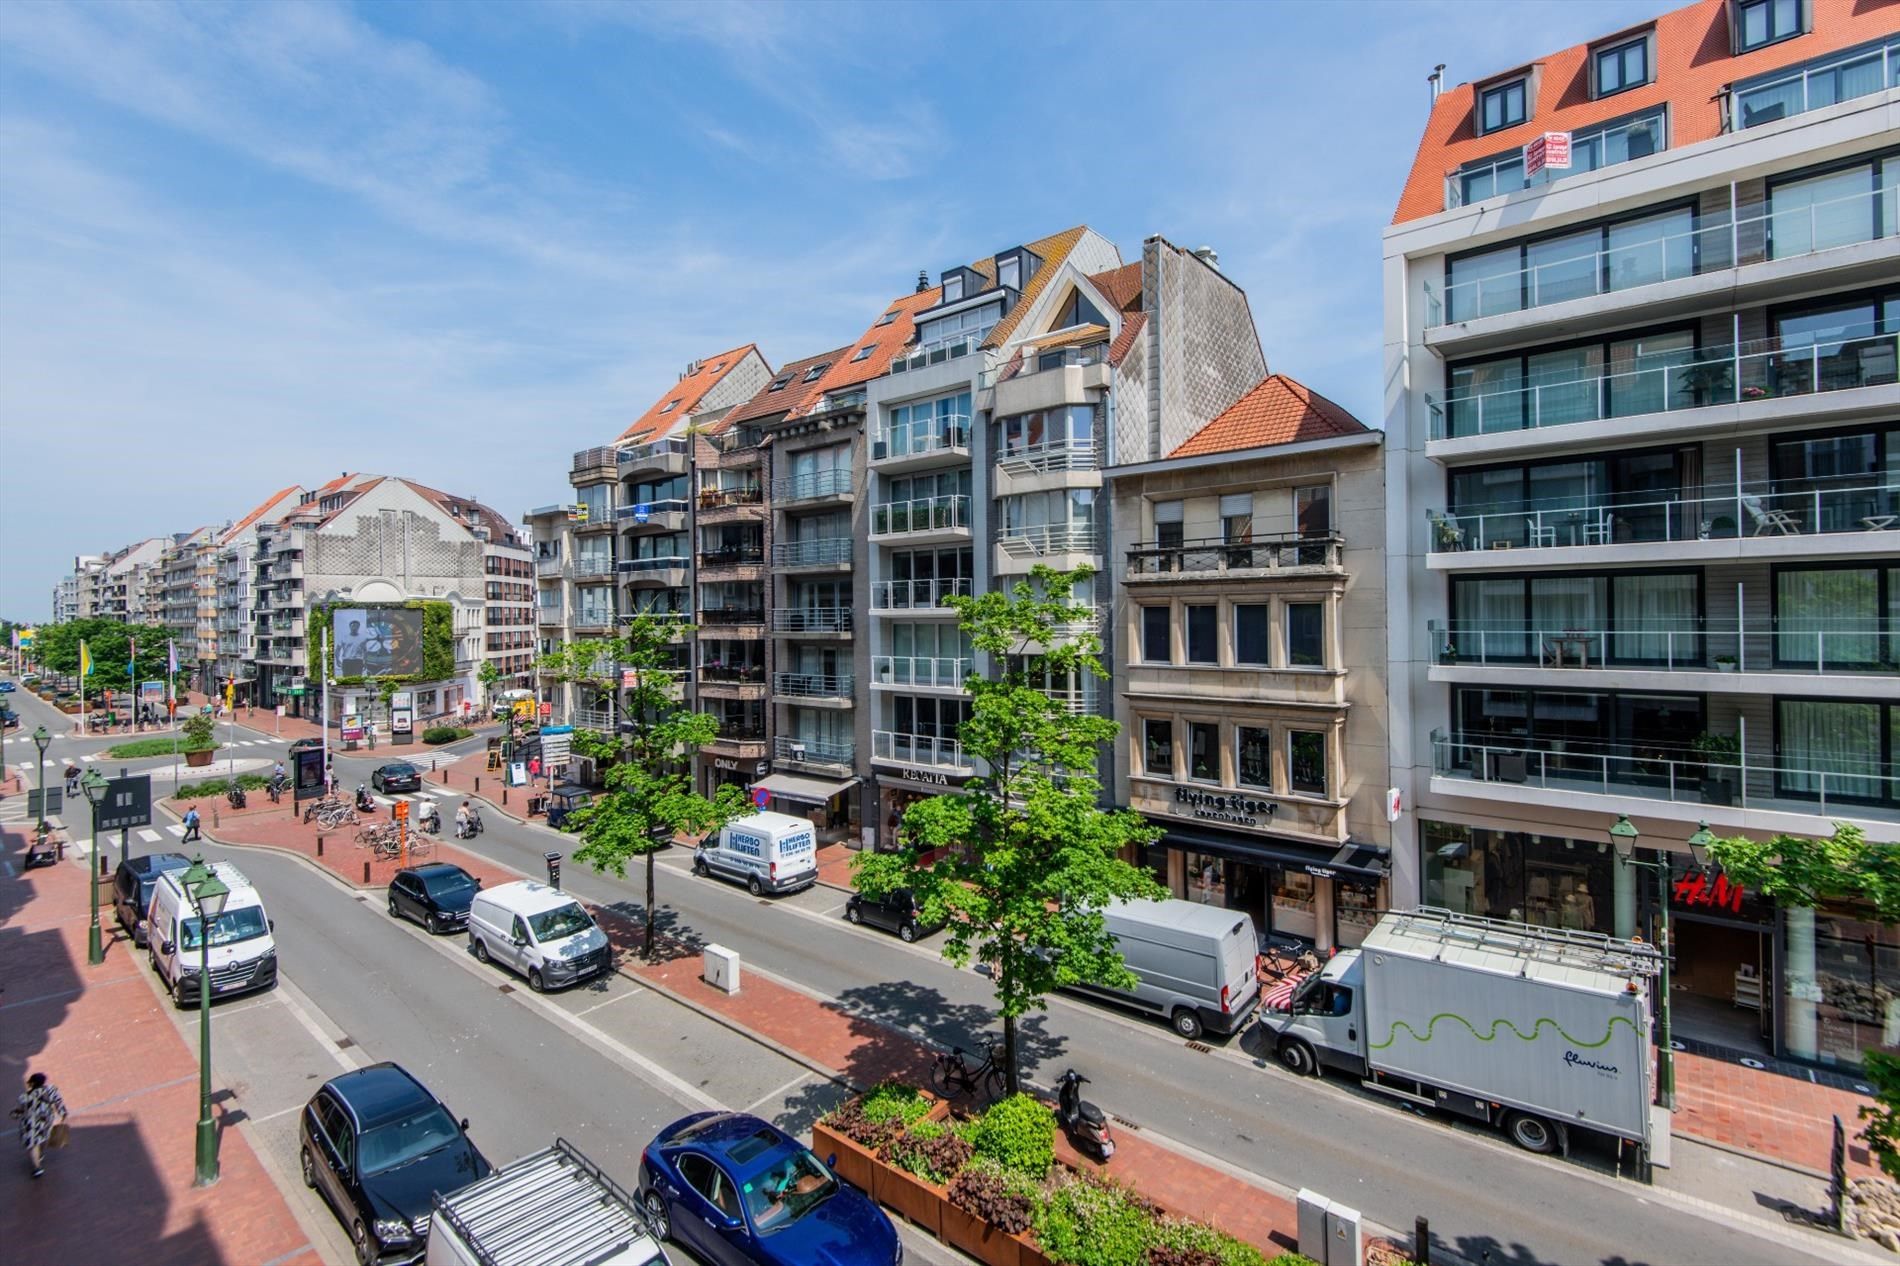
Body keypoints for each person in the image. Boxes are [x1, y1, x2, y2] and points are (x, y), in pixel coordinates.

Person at [13, 1072, 68, 1178]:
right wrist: (63, 1114)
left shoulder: (25, 1097)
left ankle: (37, 1167)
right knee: (43, 1138)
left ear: (32, 1083)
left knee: (34, 1144)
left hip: (30, 1123)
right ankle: (40, 1155)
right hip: (45, 1120)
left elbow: (19, 1111)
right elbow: (58, 1102)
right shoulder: (51, 1090)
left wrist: (14, 1115)